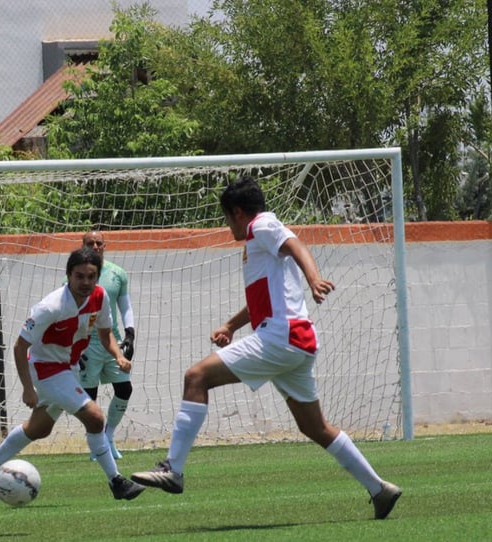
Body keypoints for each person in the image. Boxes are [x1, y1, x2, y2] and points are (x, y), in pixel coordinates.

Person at [131, 176, 402, 519]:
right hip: (296, 343)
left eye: (226, 218)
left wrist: (313, 278)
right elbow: (265, 298)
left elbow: (296, 244)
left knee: (196, 377)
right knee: (314, 427)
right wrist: (231, 325)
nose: (227, 225)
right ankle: (380, 488)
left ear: (238, 212)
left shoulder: (262, 225)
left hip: (280, 338)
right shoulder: (257, 246)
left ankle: (174, 468)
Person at [0, 247, 146, 502]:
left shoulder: (99, 297)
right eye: (79, 276)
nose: (86, 282)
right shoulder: (51, 306)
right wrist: (27, 388)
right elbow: (20, 346)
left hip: (69, 368)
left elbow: (105, 333)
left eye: (91, 276)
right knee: (95, 418)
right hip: (46, 369)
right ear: (68, 276)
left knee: (39, 428)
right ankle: (116, 481)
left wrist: (118, 356)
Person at [78, 230, 136, 461]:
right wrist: (74, 347)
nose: (95, 246)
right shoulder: (74, 277)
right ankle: (96, 443)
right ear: (82, 245)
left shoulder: (117, 274)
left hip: (111, 341)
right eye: (90, 243)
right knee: (89, 399)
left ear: (105, 246)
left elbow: (125, 307)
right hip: (86, 345)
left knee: (124, 389)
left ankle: (109, 436)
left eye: (98, 243)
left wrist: (130, 334)